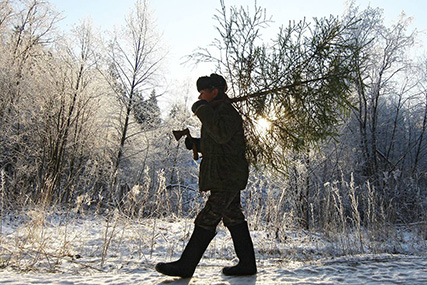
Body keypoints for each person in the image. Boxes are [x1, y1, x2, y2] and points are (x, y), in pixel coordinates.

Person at [155, 74, 257, 278]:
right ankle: (247, 264)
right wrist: (198, 144)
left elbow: (220, 134)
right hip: (225, 174)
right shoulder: (219, 111)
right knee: (233, 217)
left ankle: (186, 265)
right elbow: (220, 143)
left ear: (214, 91)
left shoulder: (226, 112)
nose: (200, 95)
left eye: (203, 92)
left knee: (208, 217)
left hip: (227, 176)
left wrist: (201, 110)